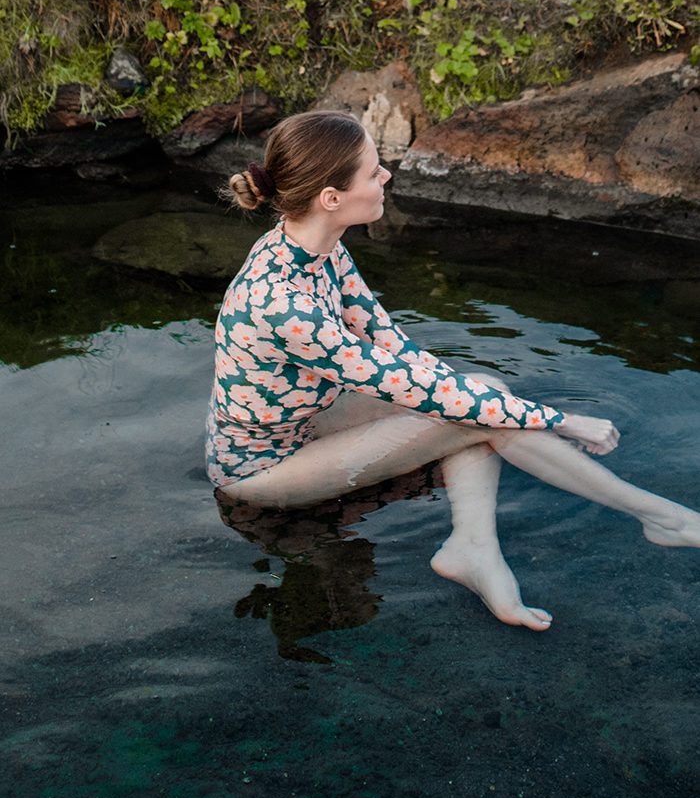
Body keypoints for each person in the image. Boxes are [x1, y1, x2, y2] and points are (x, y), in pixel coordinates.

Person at [206, 111, 700, 631]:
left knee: (480, 394)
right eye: (374, 172)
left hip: (309, 417)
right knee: (475, 413)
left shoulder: (315, 250)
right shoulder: (284, 306)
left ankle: (473, 544)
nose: (387, 177)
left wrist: (523, 413)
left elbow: (397, 354)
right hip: (261, 468)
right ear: (331, 198)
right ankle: (661, 517)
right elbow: (412, 385)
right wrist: (560, 421)